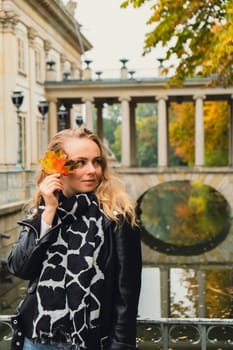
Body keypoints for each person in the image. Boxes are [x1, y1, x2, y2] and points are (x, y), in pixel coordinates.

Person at [7, 128, 142, 350]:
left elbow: (126, 297)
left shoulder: (117, 217)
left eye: (97, 161)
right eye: (80, 163)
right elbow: (20, 268)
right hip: (36, 341)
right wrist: (48, 212)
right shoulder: (41, 211)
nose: (92, 170)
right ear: (57, 169)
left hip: (90, 342)